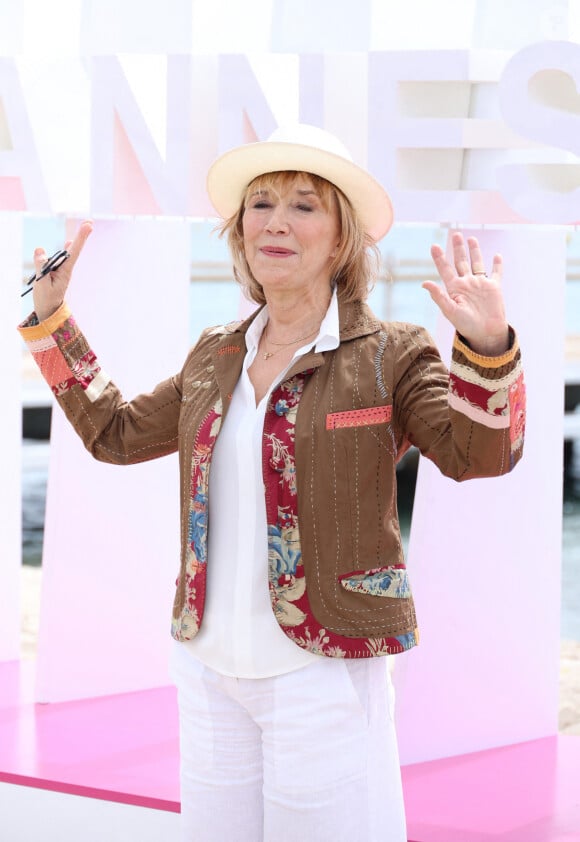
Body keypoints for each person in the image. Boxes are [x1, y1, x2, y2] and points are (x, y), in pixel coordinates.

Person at [18, 124, 525, 842]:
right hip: (207, 667)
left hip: (323, 670)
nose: (277, 222)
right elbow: (117, 433)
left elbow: (480, 455)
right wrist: (51, 322)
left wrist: (490, 347)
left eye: (305, 206)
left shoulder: (390, 355)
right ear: (239, 229)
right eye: (261, 205)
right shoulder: (214, 354)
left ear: (342, 237)